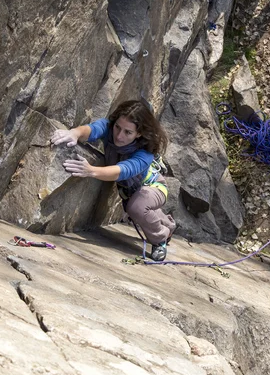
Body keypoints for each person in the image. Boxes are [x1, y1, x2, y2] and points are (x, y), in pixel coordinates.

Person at [50, 100, 176, 261]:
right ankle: (169, 225)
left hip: (155, 187)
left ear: (139, 133)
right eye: (118, 127)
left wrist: (91, 171)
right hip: (134, 192)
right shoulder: (109, 127)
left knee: (137, 207)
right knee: (138, 204)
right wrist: (74, 133)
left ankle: (160, 239)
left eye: (128, 132)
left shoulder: (145, 154)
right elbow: (92, 129)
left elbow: (123, 170)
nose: (119, 135)